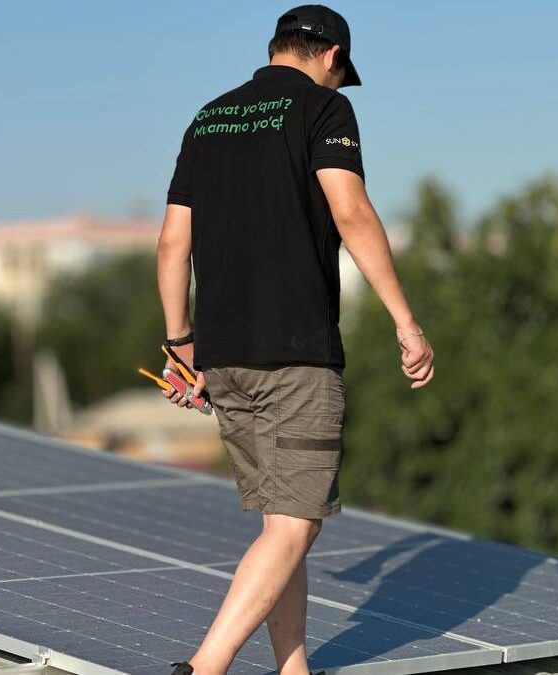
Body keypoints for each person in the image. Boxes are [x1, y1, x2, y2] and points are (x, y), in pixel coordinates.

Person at [155, 5, 434, 674]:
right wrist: (404, 318)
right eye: (341, 73)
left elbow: (172, 242)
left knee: (280, 524)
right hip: (295, 350)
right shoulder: (322, 110)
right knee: (294, 524)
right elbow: (351, 209)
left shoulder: (209, 117)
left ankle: (293, 667)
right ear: (332, 55)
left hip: (222, 355)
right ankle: (206, 665)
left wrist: (178, 345)